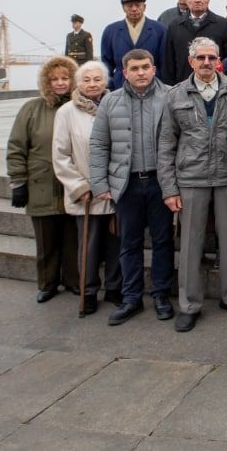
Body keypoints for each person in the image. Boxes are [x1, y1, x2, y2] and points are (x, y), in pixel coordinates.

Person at [157, 37, 227, 332]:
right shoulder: (175, 95)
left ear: (219, 60)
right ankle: (189, 305)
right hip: (191, 177)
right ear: (191, 61)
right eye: (201, 58)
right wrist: (169, 188)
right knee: (191, 244)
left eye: (211, 57)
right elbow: (166, 144)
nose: (206, 62)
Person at [89, 49, 173, 325]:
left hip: (160, 182)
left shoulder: (170, 96)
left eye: (145, 67)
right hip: (126, 184)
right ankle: (131, 298)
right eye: (134, 68)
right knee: (129, 243)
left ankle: (161, 294)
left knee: (163, 241)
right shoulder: (110, 101)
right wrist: (99, 183)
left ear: (154, 69)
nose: (141, 72)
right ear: (124, 72)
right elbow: (99, 143)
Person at [51, 60, 121, 314]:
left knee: (116, 243)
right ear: (78, 83)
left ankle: (115, 287)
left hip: (115, 189)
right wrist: (79, 186)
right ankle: (89, 291)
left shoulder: (117, 105)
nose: (92, 84)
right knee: (88, 246)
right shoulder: (66, 112)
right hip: (87, 193)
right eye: (87, 80)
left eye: (97, 79)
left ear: (106, 81)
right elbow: (60, 155)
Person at [8, 55, 80, 303]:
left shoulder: (78, 107)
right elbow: (16, 146)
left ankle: (73, 279)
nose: (60, 83)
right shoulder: (32, 109)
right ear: (46, 83)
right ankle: (48, 283)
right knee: (46, 239)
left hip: (71, 185)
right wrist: (18, 182)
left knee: (72, 238)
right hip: (41, 184)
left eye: (65, 78)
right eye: (54, 79)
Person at [162, 0, 227, 84]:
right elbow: (169, 60)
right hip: (182, 84)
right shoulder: (175, 26)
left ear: (208, 1)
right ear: (187, 1)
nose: (197, 0)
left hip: (215, 83)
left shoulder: (223, 25)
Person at [99, 0, 167, 90]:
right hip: (120, 85)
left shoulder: (159, 29)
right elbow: (106, 63)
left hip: (153, 84)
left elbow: (164, 62)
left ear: (144, 7)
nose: (134, 9)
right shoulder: (111, 30)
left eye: (138, 5)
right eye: (129, 6)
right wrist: (110, 85)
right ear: (123, 8)